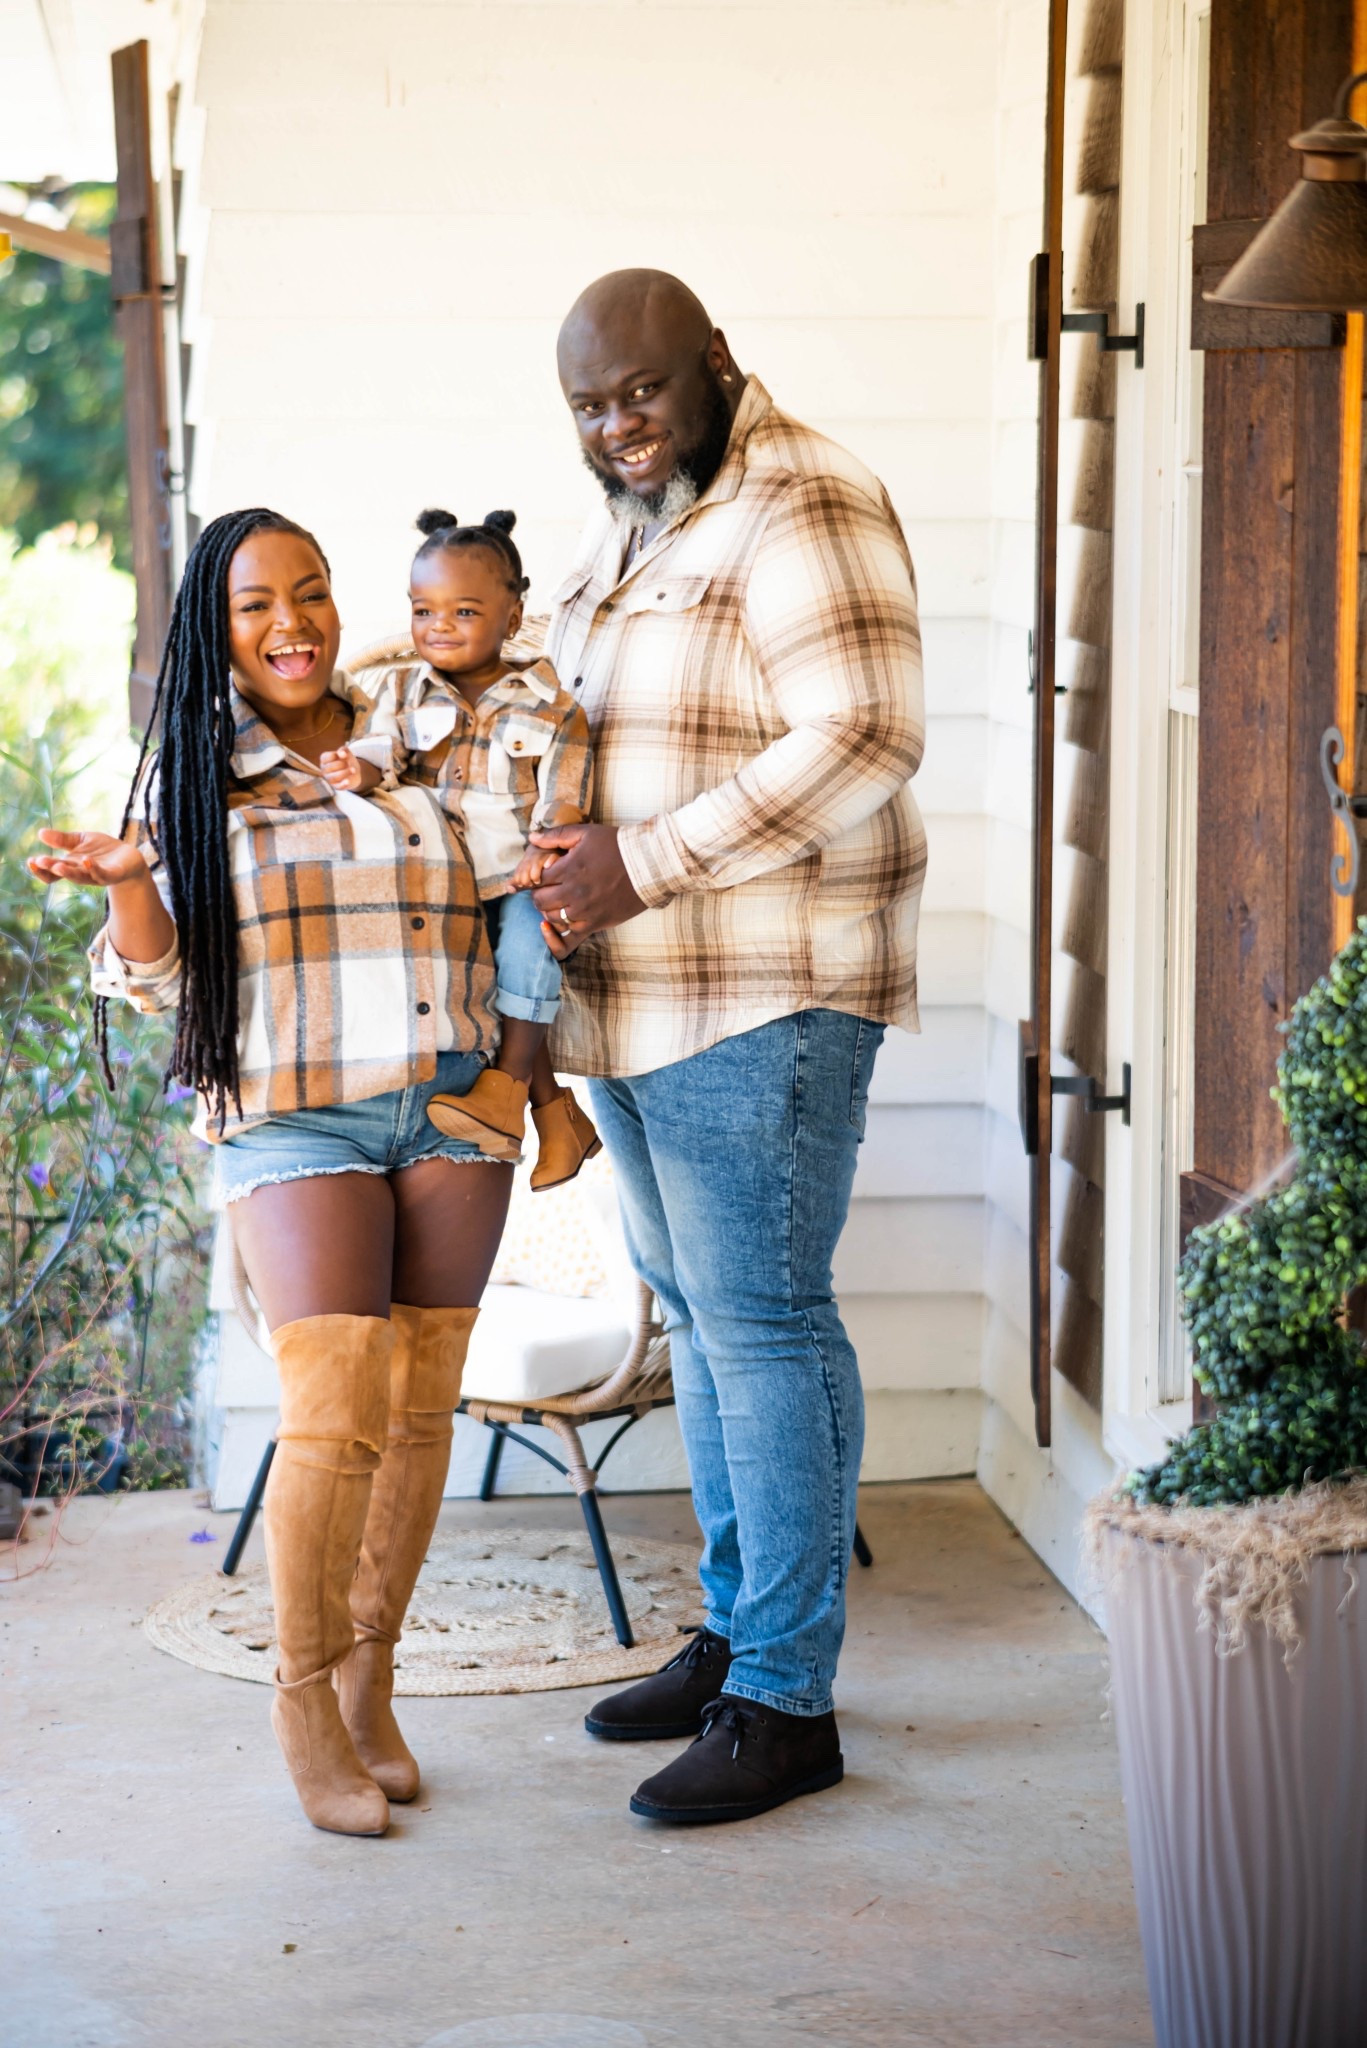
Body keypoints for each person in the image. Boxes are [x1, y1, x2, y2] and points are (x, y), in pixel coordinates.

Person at [30, 510, 514, 1839]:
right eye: (255, 605)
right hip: (295, 1116)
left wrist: (523, 1077)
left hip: (451, 1099)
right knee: (335, 1406)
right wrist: (133, 884)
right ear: (216, 627)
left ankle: (372, 1681)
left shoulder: (413, 732)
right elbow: (146, 984)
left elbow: (509, 884)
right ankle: (301, 1701)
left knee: (419, 1413)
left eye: (308, 593)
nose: (290, 623)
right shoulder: (190, 772)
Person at [528, 270, 927, 1825]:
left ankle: (786, 1704)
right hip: (640, 998)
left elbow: (864, 734)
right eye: (587, 407)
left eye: (638, 392)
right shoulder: (638, 521)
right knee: (699, 1318)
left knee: (761, 1324)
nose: (617, 427)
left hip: (765, 993)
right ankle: (733, 1639)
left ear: (711, 362)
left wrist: (641, 861)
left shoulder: (800, 497)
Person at [326, 508, 599, 1188]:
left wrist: (546, 852)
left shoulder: (551, 707)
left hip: (515, 877)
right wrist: (359, 770)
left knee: (527, 951)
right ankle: (554, 1115)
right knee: (486, 985)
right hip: (435, 888)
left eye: (464, 611)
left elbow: (563, 793)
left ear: (511, 618)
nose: (438, 626)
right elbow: (377, 754)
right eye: (424, 609)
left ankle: (507, 1092)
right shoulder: (395, 689)